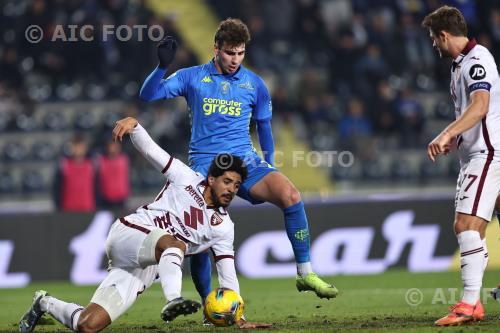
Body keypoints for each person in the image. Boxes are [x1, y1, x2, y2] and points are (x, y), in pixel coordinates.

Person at [139, 18, 337, 307]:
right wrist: (161, 67)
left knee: (290, 195)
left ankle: (305, 272)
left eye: (240, 53)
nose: (235, 59)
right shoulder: (192, 76)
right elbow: (148, 95)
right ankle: (210, 305)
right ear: (216, 48)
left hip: (246, 161)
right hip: (205, 167)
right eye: (230, 52)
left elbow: (264, 126)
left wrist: (269, 162)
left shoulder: (254, 84)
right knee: (202, 239)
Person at [20, 117, 270, 332]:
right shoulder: (187, 179)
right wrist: (135, 127)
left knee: (88, 325)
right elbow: (152, 151)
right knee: (175, 244)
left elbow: (228, 274)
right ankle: (174, 299)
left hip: (145, 265)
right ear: (211, 178)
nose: (231, 190)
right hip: (129, 233)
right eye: (227, 181)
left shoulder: (224, 227)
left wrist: (239, 317)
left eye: (236, 186)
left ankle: (43, 303)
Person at [422, 6, 500, 326]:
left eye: (433, 39)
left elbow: (481, 106)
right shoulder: (460, 64)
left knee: (466, 226)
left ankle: (469, 305)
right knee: (479, 226)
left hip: (487, 155)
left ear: (443, 35)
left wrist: (447, 132)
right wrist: (458, 137)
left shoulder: (477, 61)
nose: (433, 45)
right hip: (479, 151)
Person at [52, 134, 96, 212]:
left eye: (81, 146)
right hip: (68, 209)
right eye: (76, 146)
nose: (78, 149)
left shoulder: (91, 165)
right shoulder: (64, 165)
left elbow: (97, 187)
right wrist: (58, 206)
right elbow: (57, 188)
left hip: (87, 208)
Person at [96, 139, 130, 209]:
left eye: (116, 146)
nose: (114, 148)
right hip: (106, 198)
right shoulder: (102, 161)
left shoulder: (123, 159)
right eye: (112, 145)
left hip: (120, 198)